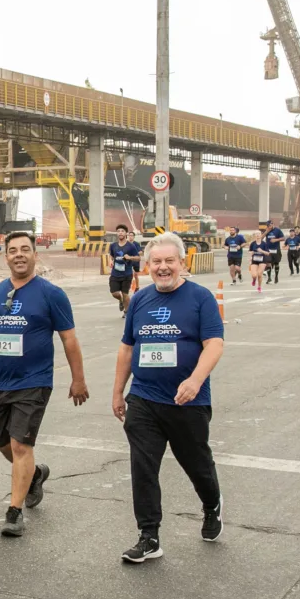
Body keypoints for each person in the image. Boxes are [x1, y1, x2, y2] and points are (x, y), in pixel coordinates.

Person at [0, 232, 89, 537]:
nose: (19, 255)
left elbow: (69, 339)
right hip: (2, 383)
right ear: (5, 256)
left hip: (35, 381)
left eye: (25, 250)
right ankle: (36, 474)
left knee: (20, 445)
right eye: (12, 250)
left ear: (34, 255)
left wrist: (78, 379)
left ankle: (14, 511)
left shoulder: (51, 294)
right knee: (5, 445)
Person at [110, 232, 225, 564]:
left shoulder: (200, 298)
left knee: (196, 463)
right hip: (144, 398)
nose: (163, 268)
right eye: (156, 262)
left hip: (188, 401)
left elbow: (214, 344)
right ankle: (149, 536)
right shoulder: (140, 300)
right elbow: (128, 348)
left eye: (169, 261)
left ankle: (211, 503)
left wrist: (195, 380)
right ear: (147, 266)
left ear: (182, 263)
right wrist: (119, 391)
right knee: (143, 467)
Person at [108, 224, 142, 317]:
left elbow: (138, 258)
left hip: (126, 274)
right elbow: (111, 256)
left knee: (125, 294)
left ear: (126, 233)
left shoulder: (130, 246)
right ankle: (120, 300)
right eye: (118, 231)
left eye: (122, 231)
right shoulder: (113, 246)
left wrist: (130, 257)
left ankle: (127, 312)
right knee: (114, 293)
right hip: (115, 274)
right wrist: (110, 261)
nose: (120, 233)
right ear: (116, 233)